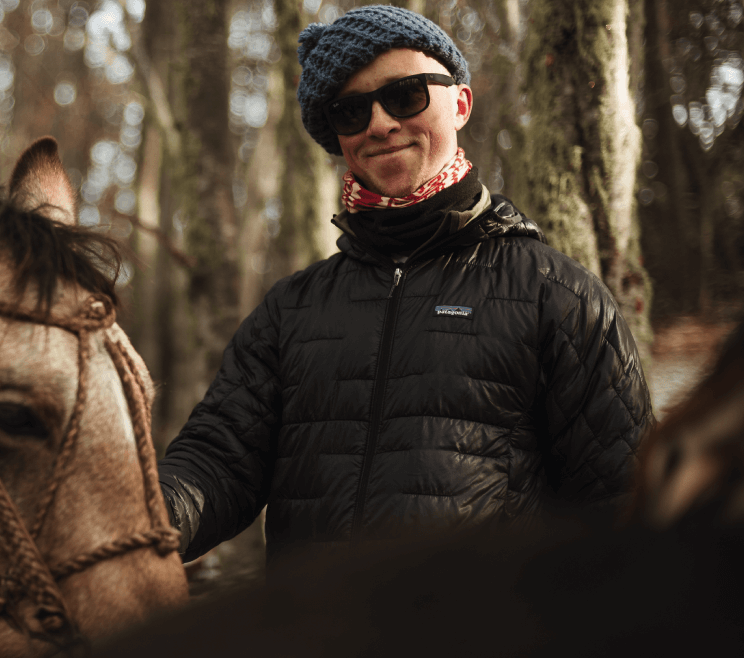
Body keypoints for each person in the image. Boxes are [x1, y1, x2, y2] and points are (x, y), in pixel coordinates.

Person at [158, 5, 653, 564]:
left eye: (406, 95)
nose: (379, 124)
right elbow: (219, 458)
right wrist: (150, 520)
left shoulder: (558, 296)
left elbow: (623, 512)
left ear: (460, 104)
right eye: (350, 110)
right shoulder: (290, 309)